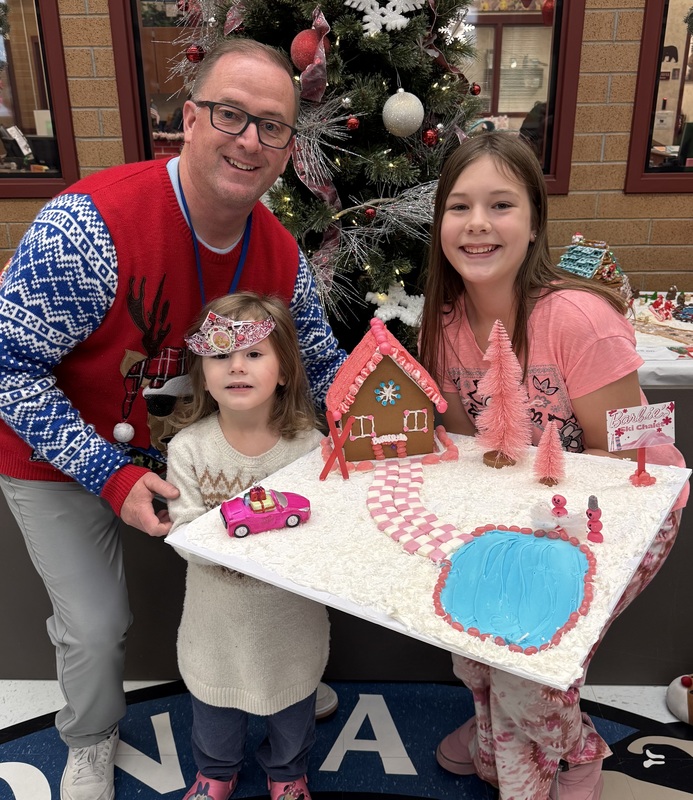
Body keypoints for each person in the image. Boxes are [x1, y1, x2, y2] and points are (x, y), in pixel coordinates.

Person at [0, 38, 344, 800]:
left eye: (273, 126)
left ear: (288, 150)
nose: (249, 139)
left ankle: (276, 685)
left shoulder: (280, 257)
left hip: (189, 449)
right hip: (60, 451)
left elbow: (322, 364)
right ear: (188, 120)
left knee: (280, 561)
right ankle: (89, 735)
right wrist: (106, 473)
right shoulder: (84, 228)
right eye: (230, 114)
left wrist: (404, 420)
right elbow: (7, 366)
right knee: (95, 622)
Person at [418, 132, 688, 800]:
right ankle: (493, 732)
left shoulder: (575, 318)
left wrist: (544, 556)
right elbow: (467, 454)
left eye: (500, 205)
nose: (477, 223)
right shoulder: (444, 323)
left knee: (525, 659)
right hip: (521, 512)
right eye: (459, 207)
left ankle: (573, 753)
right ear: (439, 225)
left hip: (623, 511)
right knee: (469, 639)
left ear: (534, 221)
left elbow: (624, 464)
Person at [168, 292, 328, 800]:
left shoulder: (310, 448)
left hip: (291, 626)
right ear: (204, 372)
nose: (236, 366)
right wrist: (250, 539)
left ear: (283, 371)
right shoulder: (188, 448)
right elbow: (187, 533)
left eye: (254, 353)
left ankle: (288, 775)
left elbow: (323, 530)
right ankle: (216, 773)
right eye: (220, 354)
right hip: (215, 627)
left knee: (293, 712)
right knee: (213, 713)